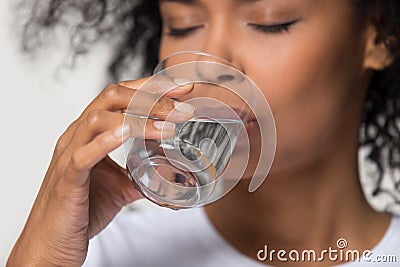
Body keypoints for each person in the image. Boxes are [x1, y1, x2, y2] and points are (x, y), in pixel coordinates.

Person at [7, 0, 400, 266]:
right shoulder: (103, 255)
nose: (208, 60)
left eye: (270, 22)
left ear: (380, 34)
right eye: (183, 26)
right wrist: (43, 253)